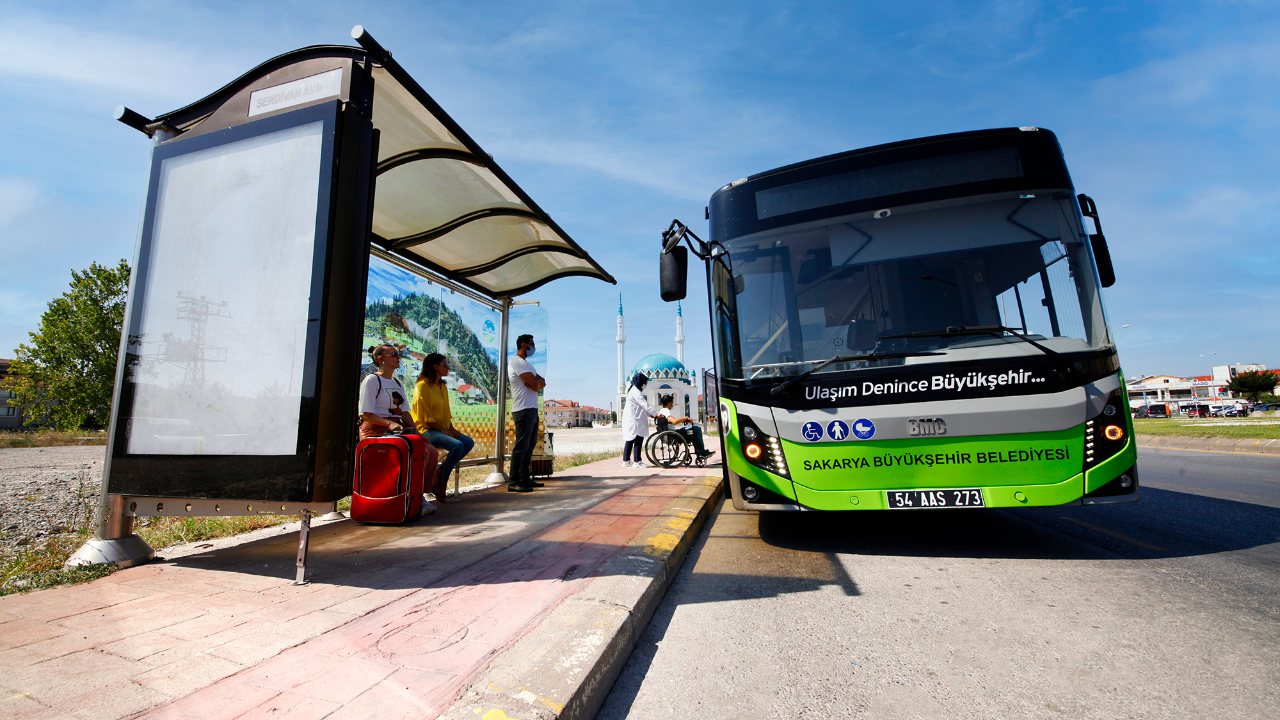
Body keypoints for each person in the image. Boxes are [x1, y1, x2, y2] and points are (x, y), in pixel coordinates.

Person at [412, 353, 475, 504]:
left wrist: (451, 428)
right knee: (457, 445)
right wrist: (444, 431)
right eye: (445, 364)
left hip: (442, 429)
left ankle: (440, 471)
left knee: (467, 442)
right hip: (427, 430)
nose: (447, 368)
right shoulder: (422, 386)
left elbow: (446, 411)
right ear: (435, 367)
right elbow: (424, 416)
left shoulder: (443, 386)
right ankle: (442, 482)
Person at [507, 334, 545, 492]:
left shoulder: (528, 365)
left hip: (532, 409)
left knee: (529, 445)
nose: (533, 347)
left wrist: (536, 383)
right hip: (523, 409)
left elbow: (541, 381)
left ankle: (524, 478)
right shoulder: (517, 362)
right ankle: (514, 481)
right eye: (531, 344)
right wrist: (536, 384)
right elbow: (537, 386)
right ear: (524, 345)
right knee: (521, 446)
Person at [656, 394, 714, 460]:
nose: (672, 405)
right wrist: (685, 418)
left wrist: (684, 419)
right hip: (673, 435)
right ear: (669, 403)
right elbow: (674, 421)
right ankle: (701, 451)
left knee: (691, 430)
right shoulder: (666, 411)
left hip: (669, 434)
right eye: (672, 403)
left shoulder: (661, 411)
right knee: (696, 429)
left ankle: (699, 450)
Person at [622, 373, 658, 468]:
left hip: (633, 419)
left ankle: (626, 460)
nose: (645, 384)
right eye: (645, 382)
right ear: (640, 382)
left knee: (630, 439)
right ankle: (637, 461)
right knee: (638, 438)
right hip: (634, 420)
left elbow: (640, 407)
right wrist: (656, 414)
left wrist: (649, 414)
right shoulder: (636, 391)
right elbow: (644, 404)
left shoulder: (634, 390)